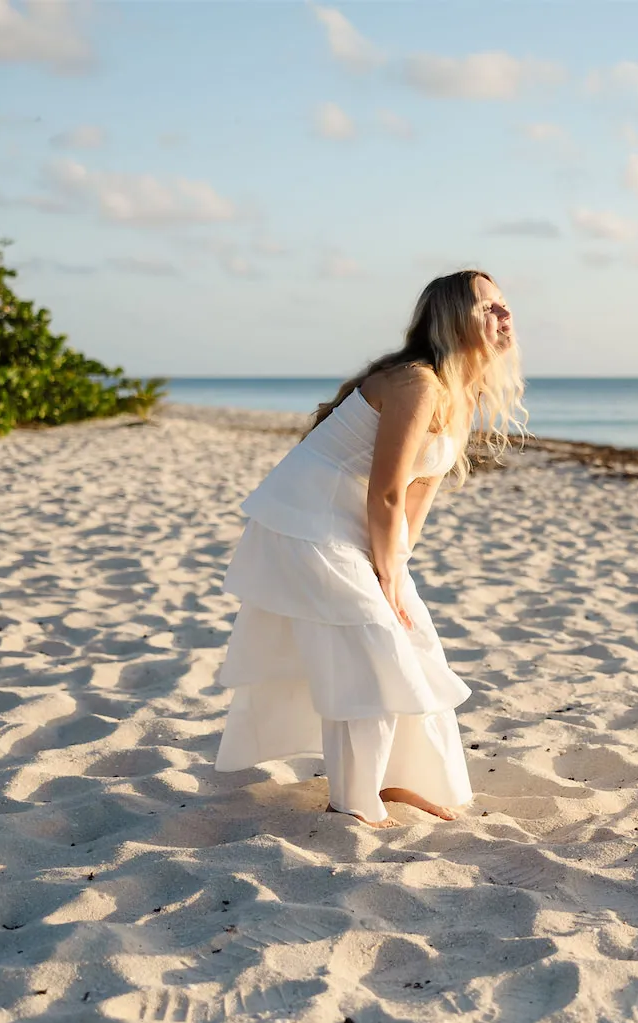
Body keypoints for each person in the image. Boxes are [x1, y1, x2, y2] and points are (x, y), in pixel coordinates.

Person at [215, 271, 524, 827]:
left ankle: (396, 781)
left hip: (351, 527)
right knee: (374, 654)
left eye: (505, 305)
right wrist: (383, 575)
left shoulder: (461, 390)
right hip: (305, 524)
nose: (505, 316)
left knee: (412, 642)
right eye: (489, 308)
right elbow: (385, 488)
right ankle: (354, 801)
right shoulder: (417, 382)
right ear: (454, 319)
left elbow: (418, 491)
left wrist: (397, 570)